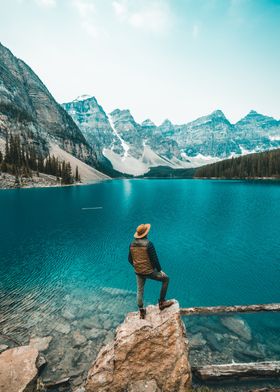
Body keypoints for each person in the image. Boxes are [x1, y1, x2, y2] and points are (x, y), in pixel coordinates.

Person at [128, 223, 174, 319]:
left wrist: (137, 266)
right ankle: (162, 303)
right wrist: (160, 270)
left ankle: (142, 311)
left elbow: (129, 259)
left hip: (138, 272)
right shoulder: (149, 244)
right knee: (166, 279)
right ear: (145, 234)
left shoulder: (131, 244)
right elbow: (154, 259)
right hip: (149, 272)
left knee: (139, 290)